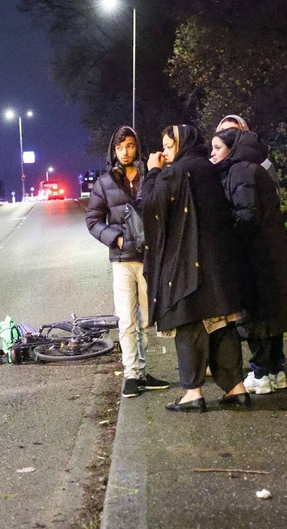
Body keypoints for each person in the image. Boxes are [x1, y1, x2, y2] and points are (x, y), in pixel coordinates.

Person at [142, 124, 250, 412]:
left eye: (167, 146)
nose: (163, 152)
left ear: (181, 144)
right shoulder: (206, 167)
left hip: (190, 265)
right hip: (218, 264)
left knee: (188, 323)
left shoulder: (178, 171)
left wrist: (152, 171)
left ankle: (193, 393)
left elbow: (151, 206)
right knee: (222, 324)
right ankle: (235, 388)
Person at [209, 128, 287, 395]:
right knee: (271, 313)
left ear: (231, 149)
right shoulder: (251, 168)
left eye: (217, 147)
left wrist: (227, 238)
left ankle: (261, 372)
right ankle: (276, 371)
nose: (212, 153)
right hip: (268, 254)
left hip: (254, 257)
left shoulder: (240, 171)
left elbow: (245, 215)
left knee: (256, 316)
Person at [86, 125, 170, 398]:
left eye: (130, 146)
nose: (125, 152)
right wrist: (116, 238)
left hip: (149, 258)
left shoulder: (150, 176)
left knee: (145, 320)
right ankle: (131, 374)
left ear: (138, 148)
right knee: (126, 320)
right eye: (120, 147)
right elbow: (93, 221)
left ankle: (142, 373)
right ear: (113, 150)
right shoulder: (104, 183)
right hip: (122, 261)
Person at [216, 115, 280, 189]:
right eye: (222, 131)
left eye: (232, 131)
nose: (226, 135)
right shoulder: (210, 165)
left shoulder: (263, 164)